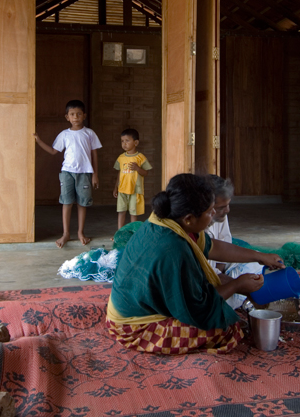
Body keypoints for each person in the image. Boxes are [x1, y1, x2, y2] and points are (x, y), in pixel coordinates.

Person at [106, 173, 285, 354]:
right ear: (189, 219)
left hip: (133, 304)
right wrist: (237, 285)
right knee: (226, 329)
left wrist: (259, 256)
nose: (213, 214)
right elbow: (199, 309)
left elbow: (213, 247)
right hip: (133, 327)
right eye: (209, 211)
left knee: (215, 294)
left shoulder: (167, 220)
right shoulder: (175, 250)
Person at [33, 100, 102, 248]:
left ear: (84, 115)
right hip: (67, 173)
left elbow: (94, 155)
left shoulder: (89, 133)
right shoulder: (64, 134)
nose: (75, 117)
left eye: (78, 114)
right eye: (72, 114)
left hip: (85, 173)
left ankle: (80, 232)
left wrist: (95, 174)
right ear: (67, 117)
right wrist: (39, 141)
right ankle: (66, 233)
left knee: (82, 203)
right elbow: (53, 151)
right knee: (67, 202)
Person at [206, 175, 265, 310]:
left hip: (215, 272)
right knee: (214, 305)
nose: (227, 210)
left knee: (256, 263)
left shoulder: (218, 215)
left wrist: (260, 257)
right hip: (201, 287)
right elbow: (204, 276)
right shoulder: (193, 233)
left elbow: (222, 248)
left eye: (228, 205)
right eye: (221, 207)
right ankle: (242, 299)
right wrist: (237, 285)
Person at [113, 128, 152, 230]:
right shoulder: (121, 158)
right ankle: (120, 232)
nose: (124, 144)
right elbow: (119, 173)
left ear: (136, 142)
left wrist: (137, 168)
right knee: (121, 211)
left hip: (135, 190)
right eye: (122, 141)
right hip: (122, 190)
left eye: (127, 140)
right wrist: (116, 188)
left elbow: (146, 172)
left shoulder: (140, 157)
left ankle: (133, 232)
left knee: (133, 213)